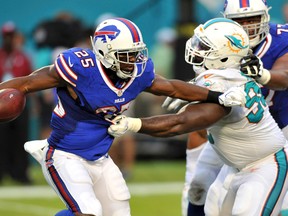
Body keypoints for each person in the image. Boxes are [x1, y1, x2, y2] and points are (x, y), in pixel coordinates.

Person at [0, 17, 243, 216]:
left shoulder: (138, 73)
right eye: (126, 54)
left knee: (119, 212)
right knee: (89, 210)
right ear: (105, 51)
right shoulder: (80, 68)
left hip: (100, 158)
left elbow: (172, 87)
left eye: (137, 53)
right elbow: (28, 83)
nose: (134, 61)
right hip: (65, 155)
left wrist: (216, 96)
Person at [108, 17, 288, 216]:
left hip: (265, 164)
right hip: (236, 165)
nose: (196, 48)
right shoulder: (224, 75)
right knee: (208, 204)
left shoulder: (225, 86)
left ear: (224, 56)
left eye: (204, 46)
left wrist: (134, 124)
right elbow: (174, 87)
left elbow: (180, 123)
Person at [166, 0, 288, 215]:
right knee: (199, 186)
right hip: (236, 129)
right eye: (240, 21)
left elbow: (284, 76)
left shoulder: (281, 39)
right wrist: (193, 93)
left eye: (253, 19)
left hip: (280, 129)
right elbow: (210, 91)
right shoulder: (216, 40)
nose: (248, 27)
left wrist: (263, 75)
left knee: (276, 200)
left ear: (265, 18)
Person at [0, 21, 33, 184]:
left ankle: (20, 173)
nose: (8, 39)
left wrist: (34, 105)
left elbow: (31, 81)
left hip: (20, 103)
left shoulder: (23, 57)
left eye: (11, 36)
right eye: (6, 36)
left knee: (21, 139)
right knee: (1, 139)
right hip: (0, 103)